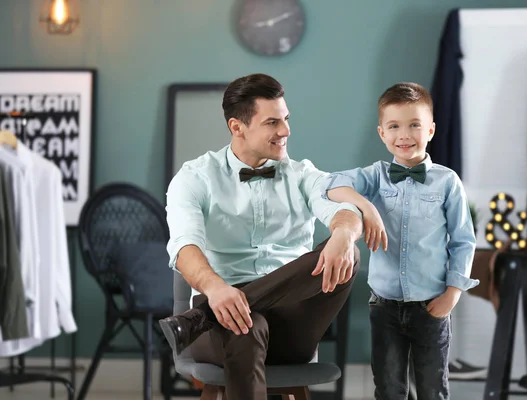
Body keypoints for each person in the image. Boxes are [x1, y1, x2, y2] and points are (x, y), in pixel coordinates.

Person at [159, 73, 364, 400]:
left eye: (285, 119)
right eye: (272, 122)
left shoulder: (302, 174)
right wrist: (215, 289)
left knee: (348, 252)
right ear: (237, 127)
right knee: (244, 325)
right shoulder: (195, 178)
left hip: (294, 324)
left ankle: (204, 317)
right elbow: (185, 247)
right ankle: (219, 310)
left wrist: (344, 232)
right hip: (224, 317)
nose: (285, 131)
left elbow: (342, 208)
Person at [323, 82, 478, 400]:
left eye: (414, 125)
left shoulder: (447, 181)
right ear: (382, 133)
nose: (404, 135)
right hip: (385, 306)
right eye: (394, 126)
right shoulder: (374, 177)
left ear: (431, 130)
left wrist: (453, 293)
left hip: (432, 304)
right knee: (389, 388)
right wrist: (366, 206)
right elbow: (331, 185)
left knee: (432, 389)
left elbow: (463, 240)